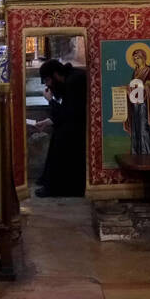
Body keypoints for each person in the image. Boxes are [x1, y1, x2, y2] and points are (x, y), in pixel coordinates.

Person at [35, 59, 88, 197]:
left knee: (61, 138)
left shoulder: (74, 81)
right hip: (75, 123)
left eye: (47, 80)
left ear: (55, 75)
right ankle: (49, 181)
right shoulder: (69, 79)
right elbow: (67, 111)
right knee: (59, 134)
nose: (47, 85)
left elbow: (70, 113)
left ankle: (56, 187)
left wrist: (50, 100)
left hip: (81, 128)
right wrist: (47, 122)